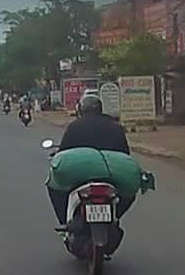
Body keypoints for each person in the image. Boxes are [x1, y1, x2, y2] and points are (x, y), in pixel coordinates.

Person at [48, 93, 135, 229]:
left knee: (54, 186)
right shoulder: (116, 126)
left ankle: (65, 222)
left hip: (81, 175)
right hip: (111, 174)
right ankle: (115, 216)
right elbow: (124, 153)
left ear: (81, 110)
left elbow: (64, 151)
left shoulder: (74, 126)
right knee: (129, 193)